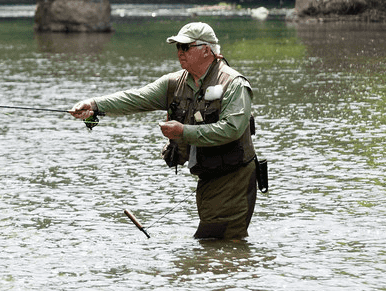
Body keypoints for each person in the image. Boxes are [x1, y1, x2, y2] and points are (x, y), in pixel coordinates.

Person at [70, 22, 258, 239]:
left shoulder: (234, 84)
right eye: (177, 47)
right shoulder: (174, 83)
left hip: (235, 177)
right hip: (208, 176)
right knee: (216, 245)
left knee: (218, 241)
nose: (179, 52)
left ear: (206, 50)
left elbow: (232, 129)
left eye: (185, 47)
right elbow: (135, 98)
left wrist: (183, 132)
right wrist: (93, 104)